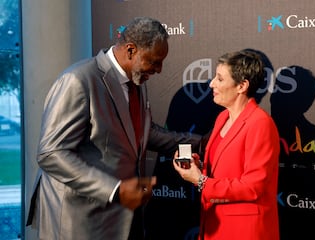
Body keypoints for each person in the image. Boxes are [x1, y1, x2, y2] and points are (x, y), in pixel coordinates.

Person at [26, 17, 203, 240]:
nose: (159, 69)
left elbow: (142, 133)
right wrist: (115, 190)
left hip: (122, 218)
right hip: (80, 218)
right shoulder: (78, 80)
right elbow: (51, 153)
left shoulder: (136, 80)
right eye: (154, 61)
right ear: (131, 50)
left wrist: (203, 141)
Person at [173, 50, 280, 240]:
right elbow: (223, 170)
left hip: (244, 231)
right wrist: (198, 168)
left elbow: (252, 187)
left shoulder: (260, 123)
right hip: (213, 224)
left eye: (220, 79)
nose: (211, 83)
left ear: (242, 85)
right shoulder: (222, 117)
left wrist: (200, 181)